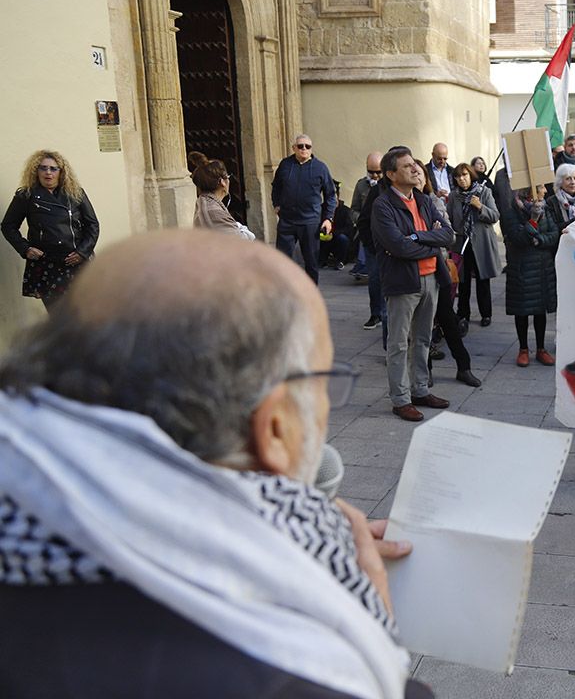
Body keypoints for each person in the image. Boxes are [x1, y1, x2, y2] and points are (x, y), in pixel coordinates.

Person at [0, 228, 431, 699]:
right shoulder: (293, 677)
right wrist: (375, 620)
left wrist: (286, 538)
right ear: (274, 430)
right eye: (323, 383)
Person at [372, 146, 454, 422]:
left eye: (414, 164)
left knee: (423, 339)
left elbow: (448, 235)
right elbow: (398, 247)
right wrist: (429, 242)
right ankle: (401, 399)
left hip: (431, 278)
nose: (415, 168)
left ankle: (420, 389)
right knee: (398, 342)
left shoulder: (423, 200)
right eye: (407, 166)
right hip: (402, 281)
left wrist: (419, 239)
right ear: (391, 174)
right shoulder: (383, 205)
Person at [2, 149, 100, 309]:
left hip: (76, 261)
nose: (48, 172)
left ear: (61, 172)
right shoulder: (26, 196)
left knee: (84, 312)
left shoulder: (75, 193)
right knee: (58, 315)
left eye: (53, 168)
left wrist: (83, 252)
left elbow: (92, 224)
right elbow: (8, 226)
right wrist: (25, 249)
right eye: (43, 168)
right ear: (36, 171)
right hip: (47, 265)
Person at [415, 163, 480, 387]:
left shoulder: (433, 201)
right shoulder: (400, 204)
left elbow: (448, 234)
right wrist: (428, 236)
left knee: (448, 321)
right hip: (413, 273)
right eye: (412, 172)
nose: (416, 177)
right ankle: (426, 371)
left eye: (420, 173)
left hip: (438, 269)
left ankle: (464, 367)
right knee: (422, 326)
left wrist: (424, 237)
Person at [500, 184, 560, 368]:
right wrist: (533, 221)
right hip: (522, 268)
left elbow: (553, 234)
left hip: (542, 266)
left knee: (540, 310)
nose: (546, 191)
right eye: (542, 188)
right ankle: (523, 349)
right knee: (522, 310)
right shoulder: (511, 212)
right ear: (532, 191)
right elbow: (518, 238)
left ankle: (541, 349)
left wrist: (538, 240)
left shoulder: (546, 209)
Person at [272, 134, 335, 283]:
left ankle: (311, 295)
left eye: (307, 146)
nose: (304, 149)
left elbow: (331, 195)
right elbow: (276, 187)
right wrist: (276, 204)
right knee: (282, 260)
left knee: (311, 263)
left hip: (310, 222)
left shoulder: (320, 167)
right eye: (300, 146)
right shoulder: (285, 165)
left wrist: (328, 218)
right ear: (294, 148)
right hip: (287, 221)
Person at [448, 162, 501, 329]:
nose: (462, 179)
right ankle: (463, 313)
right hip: (462, 243)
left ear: (471, 175)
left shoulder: (484, 192)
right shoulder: (454, 196)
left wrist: (480, 207)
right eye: (458, 176)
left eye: (465, 175)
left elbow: (494, 215)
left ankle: (486, 314)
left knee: (482, 280)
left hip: (481, 243)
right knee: (463, 282)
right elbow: (449, 218)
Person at [193, 159, 255, 240]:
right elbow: (245, 239)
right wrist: (241, 227)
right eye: (228, 177)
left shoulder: (204, 201)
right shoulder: (213, 211)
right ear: (222, 182)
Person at [348, 152, 383, 279]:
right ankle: (363, 266)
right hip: (366, 227)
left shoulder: (388, 186)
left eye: (378, 172)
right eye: (371, 172)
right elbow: (353, 209)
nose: (374, 176)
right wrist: (361, 219)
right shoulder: (361, 185)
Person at [320, 182, 356, 269]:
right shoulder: (321, 209)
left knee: (343, 238)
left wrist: (334, 234)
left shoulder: (345, 211)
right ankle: (322, 260)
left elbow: (349, 229)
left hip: (338, 238)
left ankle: (340, 261)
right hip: (324, 238)